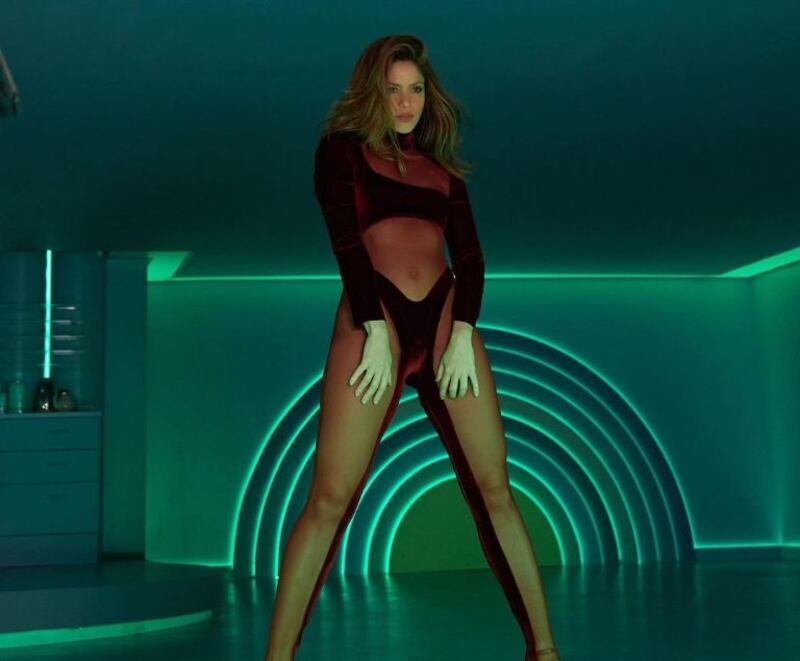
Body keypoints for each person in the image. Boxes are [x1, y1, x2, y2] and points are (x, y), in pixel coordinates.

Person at [264, 35, 561, 661]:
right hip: (375, 315)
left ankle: (545, 651)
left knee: (495, 488)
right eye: (394, 89)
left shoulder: (443, 169)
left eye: (416, 89)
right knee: (329, 498)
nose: (406, 102)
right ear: (373, 92)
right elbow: (346, 243)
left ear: (429, 95)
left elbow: (471, 257)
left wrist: (464, 332)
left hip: (447, 315)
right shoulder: (340, 151)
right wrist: (374, 329)